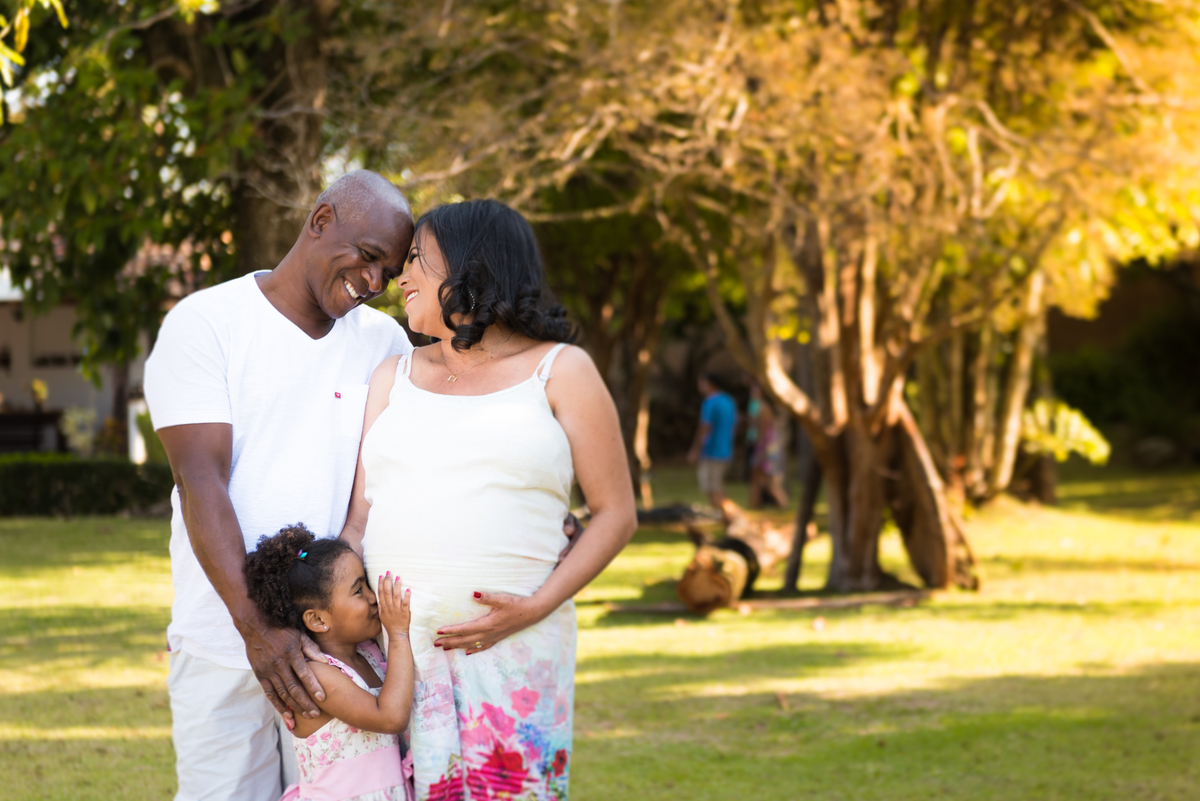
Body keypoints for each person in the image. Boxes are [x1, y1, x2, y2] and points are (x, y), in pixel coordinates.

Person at [339, 199, 637, 801]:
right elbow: (359, 520)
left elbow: (615, 514)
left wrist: (535, 606)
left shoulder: (560, 371)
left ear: (471, 269)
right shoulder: (391, 376)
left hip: (515, 654)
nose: (401, 277)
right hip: (396, 660)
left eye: (417, 260)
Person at [144, 170, 416, 801]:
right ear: (320, 221)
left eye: (390, 269)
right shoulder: (207, 322)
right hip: (222, 641)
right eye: (369, 257)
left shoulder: (384, 343)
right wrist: (256, 629)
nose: (376, 283)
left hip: (341, 651)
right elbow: (199, 478)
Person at [243, 524, 415, 801]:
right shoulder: (317, 675)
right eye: (359, 591)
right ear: (318, 620)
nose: (373, 598)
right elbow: (391, 717)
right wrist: (398, 634)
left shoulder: (369, 654)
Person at [687, 373, 738, 508]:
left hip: (712, 451)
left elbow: (704, 427)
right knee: (717, 487)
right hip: (726, 450)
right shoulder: (729, 400)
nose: (700, 386)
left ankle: (729, 516)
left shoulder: (710, 402)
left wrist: (695, 450)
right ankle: (725, 516)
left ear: (710, 384)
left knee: (712, 488)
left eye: (702, 383)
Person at [747, 384, 789, 509]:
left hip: (767, 446)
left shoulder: (763, 407)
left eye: (756, 390)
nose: (753, 393)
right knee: (757, 476)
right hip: (764, 445)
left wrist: (761, 448)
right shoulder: (756, 406)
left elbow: (764, 428)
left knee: (768, 478)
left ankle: (782, 503)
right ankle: (755, 503)